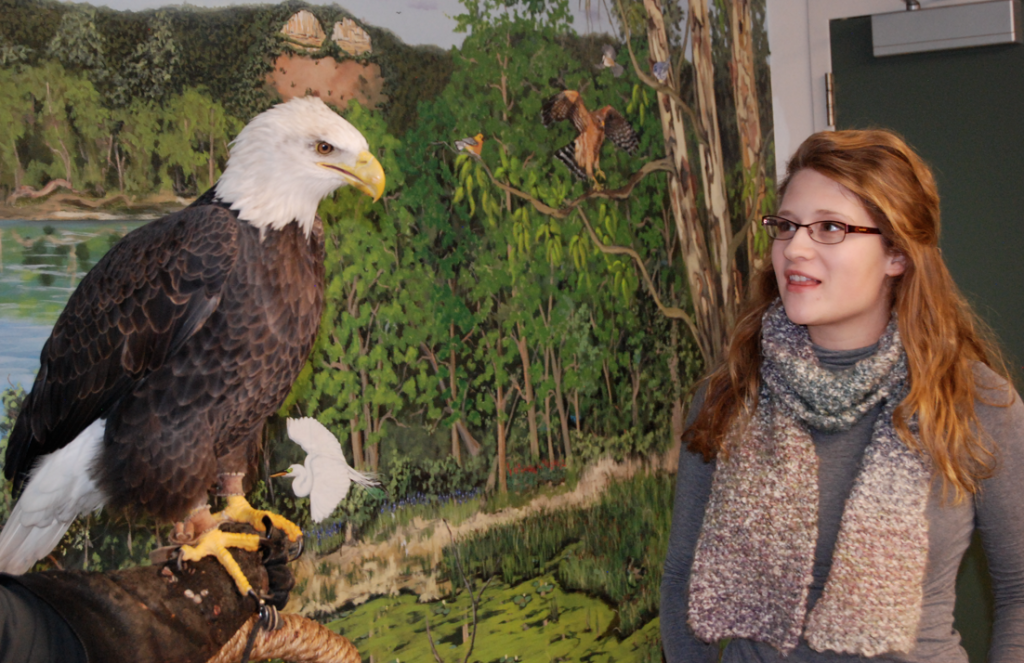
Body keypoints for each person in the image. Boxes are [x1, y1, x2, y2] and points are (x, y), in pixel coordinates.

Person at [660, 129, 1024, 662]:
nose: (794, 249)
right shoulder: (733, 396)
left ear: (897, 253)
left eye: (829, 227)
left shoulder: (975, 403)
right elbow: (680, 581)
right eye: (786, 227)